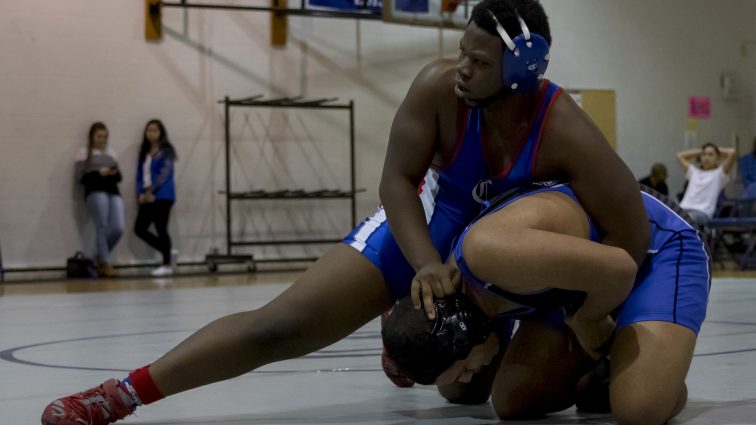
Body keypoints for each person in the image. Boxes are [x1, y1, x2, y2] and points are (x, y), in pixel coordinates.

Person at [41, 1, 650, 424]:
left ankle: (501, 357)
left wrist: (583, 313)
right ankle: (118, 396)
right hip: (429, 230)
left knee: (479, 395)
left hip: (512, 263)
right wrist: (426, 263)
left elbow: (631, 232)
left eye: (481, 61)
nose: (462, 66)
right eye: (462, 50)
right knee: (279, 326)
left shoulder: (565, 128)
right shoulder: (439, 88)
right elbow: (395, 181)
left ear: (521, 72)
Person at [384, 181, 709, 425]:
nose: (469, 376)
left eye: (464, 369)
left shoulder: (487, 254)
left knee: (639, 409)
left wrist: (590, 320)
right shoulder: (470, 293)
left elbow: (621, 269)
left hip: (655, 246)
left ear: (460, 332)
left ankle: (651, 374)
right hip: (585, 282)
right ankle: (611, 368)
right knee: (514, 400)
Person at [73, 122, 124, 278]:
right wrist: (98, 174)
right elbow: (81, 177)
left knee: (118, 227)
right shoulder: (83, 153)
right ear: (92, 137)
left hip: (112, 191)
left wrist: (110, 174)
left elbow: (119, 176)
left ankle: (99, 257)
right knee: (102, 226)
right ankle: (106, 263)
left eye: (105, 136)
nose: (102, 139)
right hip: (95, 191)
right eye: (99, 136)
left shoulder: (111, 153)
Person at [134, 119, 178, 276]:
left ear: (161, 133)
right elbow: (140, 174)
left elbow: (164, 174)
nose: (151, 133)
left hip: (162, 195)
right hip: (147, 196)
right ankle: (167, 252)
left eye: (155, 130)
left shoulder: (166, 151)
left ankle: (166, 264)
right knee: (139, 228)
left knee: (161, 227)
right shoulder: (144, 152)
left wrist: (151, 191)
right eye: (149, 130)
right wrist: (141, 192)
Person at [676, 143, 736, 226]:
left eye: (711, 155)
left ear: (717, 158)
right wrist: (701, 150)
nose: (706, 157)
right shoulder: (694, 172)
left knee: (685, 219)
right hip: (683, 208)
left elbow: (732, 152)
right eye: (704, 154)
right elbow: (680, 156)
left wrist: (715, 149)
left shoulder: (719, 174)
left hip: (702, 212)